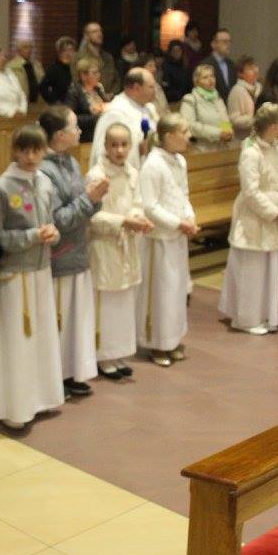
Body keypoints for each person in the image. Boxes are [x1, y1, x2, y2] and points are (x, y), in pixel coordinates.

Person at [0, 125, 64, 429]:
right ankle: (15, 407)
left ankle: (39, 398)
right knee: (16, 342)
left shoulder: (45, 182)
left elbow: (50, 221)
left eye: (37, 151)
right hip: (14, 275)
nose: (31, 157)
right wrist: (32, 236)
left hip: (41, 270)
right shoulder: (2, 187)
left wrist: (52, 233)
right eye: (24, 150)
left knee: (40, 339)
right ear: (15, 151)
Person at [39, 107, 105, 398]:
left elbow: (82, 204)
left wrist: (95, 197)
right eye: (74, 127)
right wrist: (89, 199)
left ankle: (72, 372)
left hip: (78, 251)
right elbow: (58, 219)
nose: (79, 131)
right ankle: (56, 377)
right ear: (59, 135)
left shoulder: (71, 162)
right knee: (60, 321)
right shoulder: (45, 171)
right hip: (60, 256)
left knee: (76, 319)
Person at [218, 102, 278, 335]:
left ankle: (266, 314)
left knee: (269, 267)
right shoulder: (251, 152)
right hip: (254, 216)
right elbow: (250, 191)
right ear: (272, 126)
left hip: (275, 213)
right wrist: (273, 213)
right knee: (252, 270)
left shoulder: (277, 148)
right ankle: (246, 319)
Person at [86, 123, 152, 379]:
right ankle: (103, 356)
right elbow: (93, 216)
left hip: (127, 244)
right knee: (106, 304)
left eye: (124, 144)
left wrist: (137, 217)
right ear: (105, 146)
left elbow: (138, 203)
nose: (120, 150)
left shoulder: (133, 173)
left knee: (125, 301)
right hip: (105, 245)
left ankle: (120, 352)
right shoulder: (97, 175)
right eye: (114, 145)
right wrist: (123, 221)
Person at [139, 115, 197, 365]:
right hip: (160, 238)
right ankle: (157, 343)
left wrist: (190, 217)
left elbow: (184, 194)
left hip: (178, 236)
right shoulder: (152, 165)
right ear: (169, 136)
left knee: (176, 289)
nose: (188, 136)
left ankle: (173, 339)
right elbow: (150, 206)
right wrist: (177, 223)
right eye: (184, 131)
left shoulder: (180, 161)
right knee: (160, 292)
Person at [89, 67, 157, 169]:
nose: (155, 91)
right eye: (151, 87)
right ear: (137, 88)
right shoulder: (115, 112)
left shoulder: (149, 109)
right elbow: (103, 150)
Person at [179, 62, 233, 150]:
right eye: (205, 77)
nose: (210, 80)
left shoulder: (218, 98)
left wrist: (228, 132)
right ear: (197, 82)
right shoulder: (190, 99)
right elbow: (189, 125)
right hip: (201, 149)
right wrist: (218, 133)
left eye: (212, 76)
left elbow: (224, 120)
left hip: (222, 148)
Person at [65, 56, 109, 142]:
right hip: (86, 137)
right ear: (83, 76)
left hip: (102, 133)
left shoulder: (98, 89)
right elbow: (71, 118)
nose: (98, 75)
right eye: (95, 73)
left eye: (98, 72)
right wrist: (95, 118)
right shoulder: (74, 92)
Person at [0, 47, 28, 118]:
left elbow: (21, 94)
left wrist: (22, 110)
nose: (3, 58)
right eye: (0, 57)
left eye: (4, 56)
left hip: (19, 115)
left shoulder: (11, 74)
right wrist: (11, 113)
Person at [226, 55, 263, 140]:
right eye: (250, 68)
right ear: (240, 73)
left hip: (259, 136)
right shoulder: (236, 91)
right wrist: (255, 120)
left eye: (255, 67)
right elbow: (233, 120)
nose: (255, 71)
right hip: (242, 139)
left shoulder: (260, 87)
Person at [78, 22, 118, 90]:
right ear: (86, 36)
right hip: (89, 94)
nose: (99, 34)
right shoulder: (79, 57)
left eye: (100, 31)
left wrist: (113, 93)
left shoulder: (108, 57)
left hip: (108, 95)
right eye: (94, 32)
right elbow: (77, 82)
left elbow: (116, 79)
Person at [40, 37, 76, 104]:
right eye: (64, 50)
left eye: (71, 50)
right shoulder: (54, 69)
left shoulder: (76, 68)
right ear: (59, 52)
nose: (68, 53)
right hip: (61, 106)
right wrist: (54, 101)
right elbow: (43, 88)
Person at [205, 29, 238, 96]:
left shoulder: (232, 64)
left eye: (229, 41)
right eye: (225, 41)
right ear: (213, 44)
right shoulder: (205, 65)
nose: (228, 44)